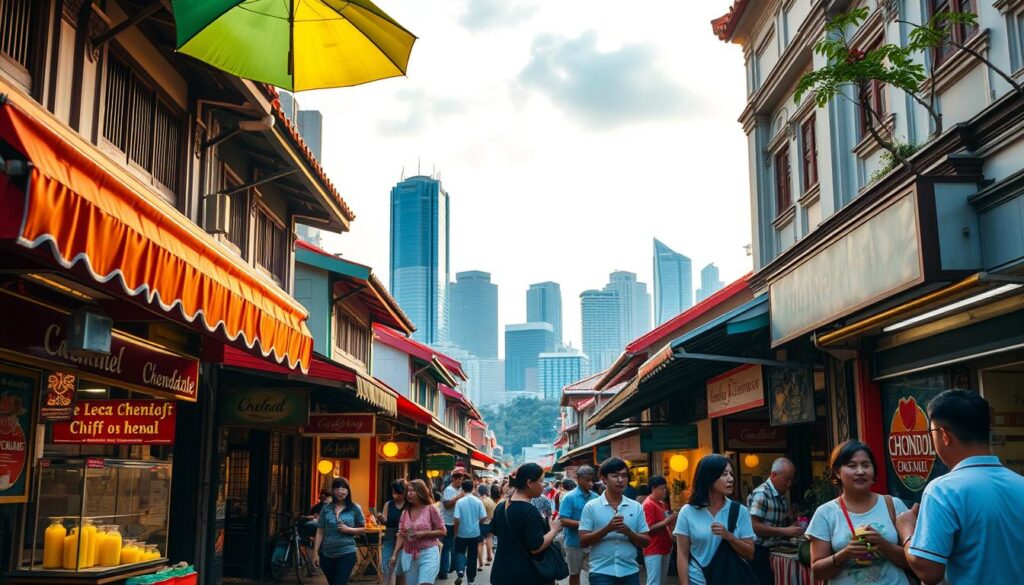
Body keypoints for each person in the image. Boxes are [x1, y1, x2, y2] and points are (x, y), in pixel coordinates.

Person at [896, 390, 1024, 585]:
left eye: (931, 433)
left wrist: (906, 530)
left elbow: (928, 571)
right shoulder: (1020, 483)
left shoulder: (942, 490)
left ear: (944, 435)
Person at [805, 441, 911, 585]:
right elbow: (817, 572)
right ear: (837, 472)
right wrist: (845, 554)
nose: (860, 471)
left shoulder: (893, 505)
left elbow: (915, 561)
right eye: (852, 466)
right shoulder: (825, 513)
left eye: (866, 465)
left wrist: (885, 545)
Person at [673, 454, 756, 585]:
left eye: (731, 474)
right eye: (724, 474)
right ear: (709, 478)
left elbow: (750, 553)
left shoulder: (740, 511)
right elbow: (682, 555)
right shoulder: (688, 512)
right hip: (698, 580)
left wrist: (729, 536)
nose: (731, 479)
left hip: (730, 579)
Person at [579, 458, 650, 585]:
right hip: (601, 572)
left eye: (624, 476)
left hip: (629, 571)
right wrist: (607, 529)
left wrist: (629, 532)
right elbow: (583, 541)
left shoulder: (636, 507)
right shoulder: (592, 506)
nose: (620, 480)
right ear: (604, 479)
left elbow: (646, 542)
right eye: (615, 476)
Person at [490, 463, 562, 585]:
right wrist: (554, 529)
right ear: (529, 483)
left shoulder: (501, 506)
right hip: (525, 575)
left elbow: (495, 530)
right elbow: (536, 547)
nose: (544, 486)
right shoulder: (530, 511)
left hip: (501, 572)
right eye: (542, 481)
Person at [747, 458, 803, 585]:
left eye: (791, 480)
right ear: (773, 475)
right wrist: (785, 531)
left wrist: (794, 524)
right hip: (758, 550)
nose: (789, 484)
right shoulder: (762, 494)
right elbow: (754, 526)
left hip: (775, 551)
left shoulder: (782, 495)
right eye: (786, 479)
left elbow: (781, 523)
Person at [391, 479, 446, 585]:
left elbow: (443, 531)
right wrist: (394, 554)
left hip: (428, 553)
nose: (409, 494)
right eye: (408, 491)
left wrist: (424, 533)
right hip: (408, 555)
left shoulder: (431, 509)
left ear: (421, 492)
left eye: (412, 491)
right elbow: (401, 535)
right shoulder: (405, 512)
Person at [312, 477, 366, 585]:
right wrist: (315, 553)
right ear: (332, 491)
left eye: (343, 488)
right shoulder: (326, 509)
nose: (340, 491)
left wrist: (348, 529)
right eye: (337, 488)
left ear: (348, 490)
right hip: (327, 554)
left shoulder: (354, 507)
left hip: (347, 552)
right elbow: (320, 531)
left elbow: (363, 528)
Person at [559, 465, 599, 585]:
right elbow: (563, 520)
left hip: (593, 542)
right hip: (574, 543)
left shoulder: (596, 497)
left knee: (596, 573)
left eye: (592, 480)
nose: (591, 483)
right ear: (579, 479)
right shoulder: (569, 497)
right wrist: (584, 524)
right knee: (575, 574)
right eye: (587, 480)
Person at [642, 476, 677, 585]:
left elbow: (667, 522)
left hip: (665, 546)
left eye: (665, 488)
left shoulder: (662, 503)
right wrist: (667, 521)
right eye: (661, 488)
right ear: (653, 488)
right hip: (653, 548)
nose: (664, 491)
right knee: (654, 582)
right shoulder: (648, 504)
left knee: (662, 581)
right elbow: (647, 529)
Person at [453, 480, 488, 585]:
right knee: (472, 556)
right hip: (474, 533)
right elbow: (484, 516)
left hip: (461, 533)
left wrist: (456, 531)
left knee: (460, 552)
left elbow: (456, 519)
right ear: (473, 487)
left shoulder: (459, 502)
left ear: (462, 489)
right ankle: (471, 580)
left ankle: (460, 570)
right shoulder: (478, 501)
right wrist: (477, 523)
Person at [439, 469, 467, 579]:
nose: (460, 481)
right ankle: (443, 571)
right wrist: (458, 498)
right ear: (453, 479)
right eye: (458, 479)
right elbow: (447, 505)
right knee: (446, 548)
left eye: (461, 479)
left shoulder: (460, 490)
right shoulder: (449, 490)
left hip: (456, 523)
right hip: (447, 522)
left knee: (455, 547)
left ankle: (453, 567)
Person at [379, 480, 407, 585]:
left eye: (398, 493)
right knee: (386, 565)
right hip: (390, 537)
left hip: (404, 538)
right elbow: (385, 521)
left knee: (401, 568)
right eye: (394, 493)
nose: (396, 496)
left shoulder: (409, 505)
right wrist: (381, 518)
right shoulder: (388, 504)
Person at [476, 484, 496, 570]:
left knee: (480, 544)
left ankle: (480, 563)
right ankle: (489, 557)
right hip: (490, 522)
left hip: (480, 523)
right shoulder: (490, 501)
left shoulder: (478, 501)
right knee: (489, 539)